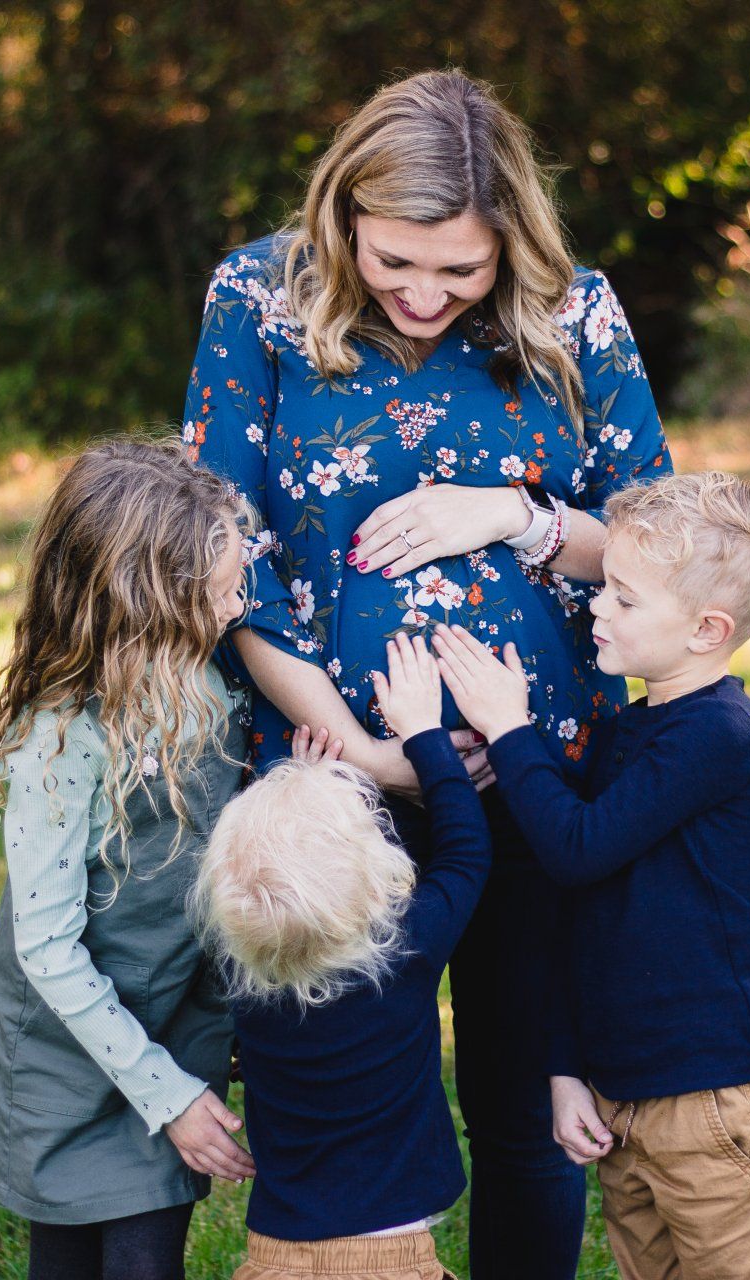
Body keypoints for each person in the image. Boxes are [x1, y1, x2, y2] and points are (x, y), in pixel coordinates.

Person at [183, 67, 672, 1277]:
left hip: (534, 777)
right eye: (396, 261)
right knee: (340, 1109)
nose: (423, 295)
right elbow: (220, 545)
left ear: (511, 234)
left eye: (461, 271)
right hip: (325, 792)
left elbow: (663, 542)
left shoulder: (576, 312)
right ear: (345, 211)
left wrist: (511, 514)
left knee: (527, 1105)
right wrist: (357, 746)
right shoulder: (258, 293)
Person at [431, 471, 750, 1280]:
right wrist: (568, 1074)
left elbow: (576, 846)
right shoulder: (638, 727)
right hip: (626, 1090)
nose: (597, 607)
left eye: (625, 600)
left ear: (707, 629)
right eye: (606, 588)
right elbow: (584, 909)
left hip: (710, 1090)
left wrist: (509, 730)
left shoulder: (718, 737)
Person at [0, 439, 258, 1280]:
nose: (240, 609)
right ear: (150, 606)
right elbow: (47, 948)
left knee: (145, 1255)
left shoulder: (214, 679)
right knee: (67, 1254)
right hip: (67, 1049)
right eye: (222, 592)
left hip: (170, 1019)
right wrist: (166, 1096)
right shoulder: (62, 739)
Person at [193, 635, 488, 1280]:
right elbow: (467, 850)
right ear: (376, 871)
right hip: (392, 1259)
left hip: (276, 1255)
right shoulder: (401, 957)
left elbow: (277, 893)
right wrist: (424, 736)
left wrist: (303, 780)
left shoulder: (246, 976)